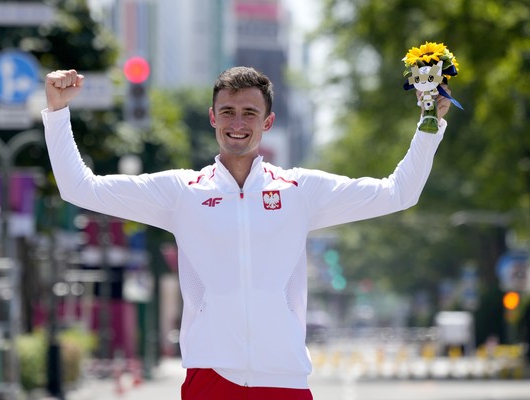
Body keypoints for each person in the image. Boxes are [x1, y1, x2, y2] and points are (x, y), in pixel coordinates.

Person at [42, 66, 452, 399]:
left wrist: (429, 122)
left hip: (285, 378)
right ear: (212, 117)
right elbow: (81, 188)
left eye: (250, 113)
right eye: (228, 112)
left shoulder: (299, 190)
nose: (238, 123)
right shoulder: (181, 192)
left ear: (268, 122)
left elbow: (399, 192)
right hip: (210, 378)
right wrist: (58, 113)